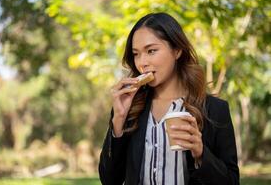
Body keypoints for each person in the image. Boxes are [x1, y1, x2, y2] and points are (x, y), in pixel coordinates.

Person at [98, 12, 239, 185]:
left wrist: (201, 153)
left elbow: (232, 182)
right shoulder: (129, 109)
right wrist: (118, 120)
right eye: (136, 54)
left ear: (177, 50)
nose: (142, 62)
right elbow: (109, 180)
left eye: (151, 51)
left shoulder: (216, 110)